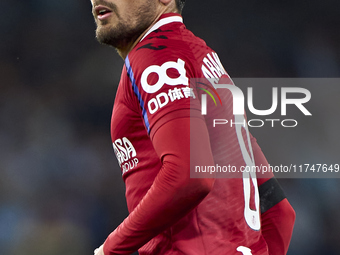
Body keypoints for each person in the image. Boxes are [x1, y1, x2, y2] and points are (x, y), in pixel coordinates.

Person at [90, 0, 296, 254]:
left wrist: (110, 249)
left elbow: (189, 176)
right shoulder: (200, 58)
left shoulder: (157, 56)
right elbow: (278, 211)